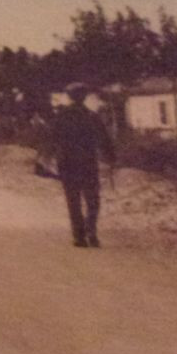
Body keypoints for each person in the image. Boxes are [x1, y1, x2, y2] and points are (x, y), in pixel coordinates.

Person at [51, 82, 115, 248]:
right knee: (93, 199)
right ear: (84, 97)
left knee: (73, 201)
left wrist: (50, 158)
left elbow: (52, 139)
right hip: (87, 162)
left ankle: (79, 237)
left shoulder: (61, 116)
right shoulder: (92, 117)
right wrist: (111, 157)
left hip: (67, 163)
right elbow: (104, 140)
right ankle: (91, 231)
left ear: (70, 97)